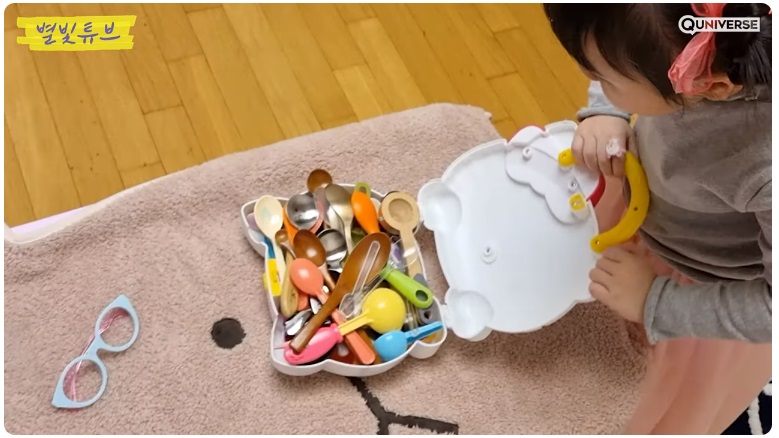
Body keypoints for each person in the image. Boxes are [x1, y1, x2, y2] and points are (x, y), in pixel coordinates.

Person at [543, 3, 771, 434]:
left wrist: (655, 302)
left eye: (604, 81)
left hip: (701, 292)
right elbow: (623, 32)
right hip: (649, 201)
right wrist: (606, 110)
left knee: (648, 399)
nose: (594, 82)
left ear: (709, 86)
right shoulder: (700, 40)